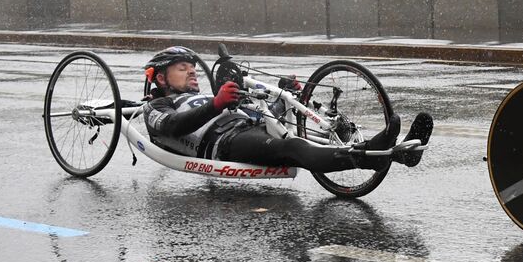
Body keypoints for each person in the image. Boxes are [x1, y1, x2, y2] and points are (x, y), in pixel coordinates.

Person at [141, 46, 428, 173]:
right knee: (294, 148)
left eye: (193, 69)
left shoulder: (203, 95)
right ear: (161, 77)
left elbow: (254, 109)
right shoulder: (157, 106)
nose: (192, 74)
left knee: (297, 125)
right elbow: (172, 127)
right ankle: (368, 157)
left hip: (249, 127)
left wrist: (283, 92)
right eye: (183, 69)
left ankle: (400, 154)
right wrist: (216, 103)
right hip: (225, 144)